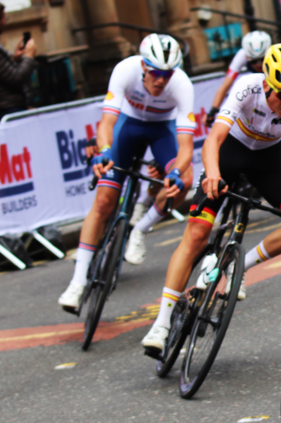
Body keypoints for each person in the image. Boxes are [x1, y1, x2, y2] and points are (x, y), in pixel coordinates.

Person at [140, 44, 281, 352]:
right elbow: (214, 140)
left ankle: (240, 267)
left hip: (268, 166)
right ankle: (162, 322)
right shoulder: (246, 88)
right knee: (196, 234)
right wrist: (212, 173)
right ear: (267, 83)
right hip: (227, 158)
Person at [57, 34, 196, 311]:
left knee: (186, 182)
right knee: (105, 201)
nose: (161, 80)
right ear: (144, 66)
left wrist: (176, 172)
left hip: (162, 131)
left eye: (167, 75)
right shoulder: (125, 69)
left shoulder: (181, 85)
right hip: (127, 126)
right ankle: (78, 281)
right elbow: (107, 122)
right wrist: (105, 150)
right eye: (156, 73)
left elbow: (185, 148)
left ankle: (139, 231)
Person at [204, 30, 272, 128]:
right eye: (253, 61)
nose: (259, 64)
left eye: (262, 59)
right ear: (247, 56)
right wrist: (212, 111)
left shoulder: (275, 54)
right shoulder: (241, 55)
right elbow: (225, 87)